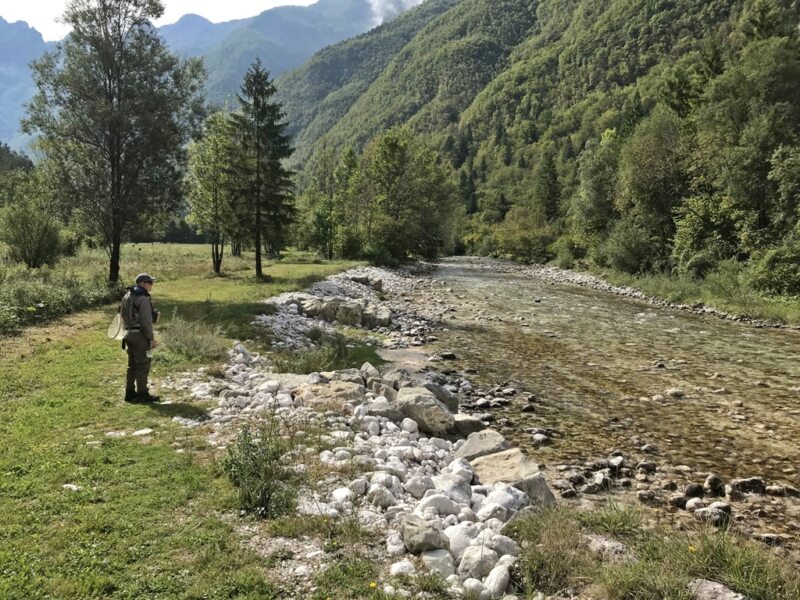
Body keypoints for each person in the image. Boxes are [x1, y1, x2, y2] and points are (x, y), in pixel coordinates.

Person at [120, 273, 161, 403]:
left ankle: (130, 393)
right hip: (139, 335)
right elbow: (146, 321)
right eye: (149, 282)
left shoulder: (127, 295)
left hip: (127, 333)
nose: (151, 285)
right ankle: (143, 394)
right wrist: (151, 339)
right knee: (143, 365)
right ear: (142, 283)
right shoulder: (143, 298)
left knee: (132, 365)